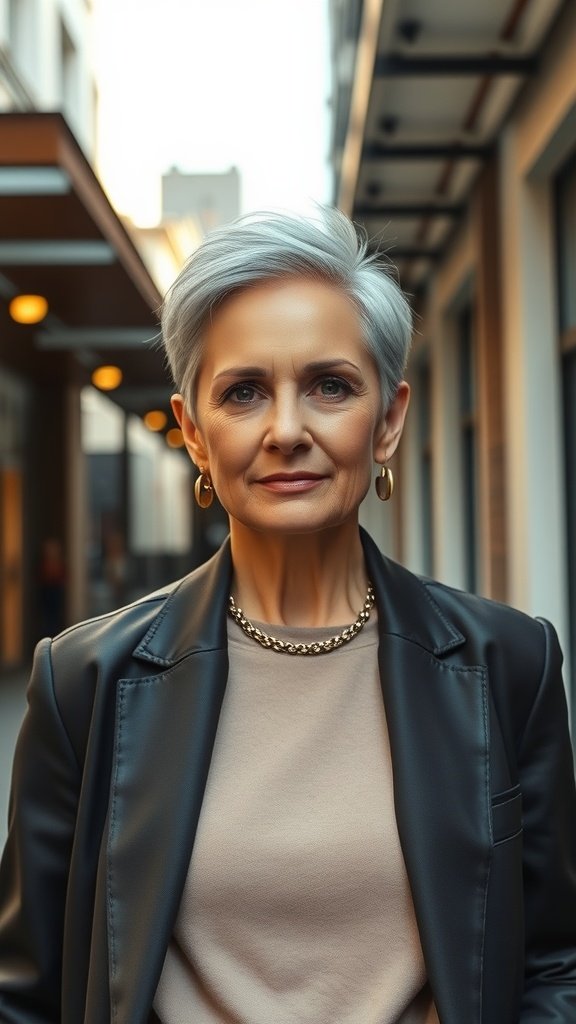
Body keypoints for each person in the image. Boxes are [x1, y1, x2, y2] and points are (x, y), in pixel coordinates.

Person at [0, 208, 575, 1024]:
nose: (287, 430)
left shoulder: (509, 662)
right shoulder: (84, 681)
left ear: (389, 418)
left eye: (330, 385)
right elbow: (23, 991)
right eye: (244, 393)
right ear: (196, 434)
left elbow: (556, 960)